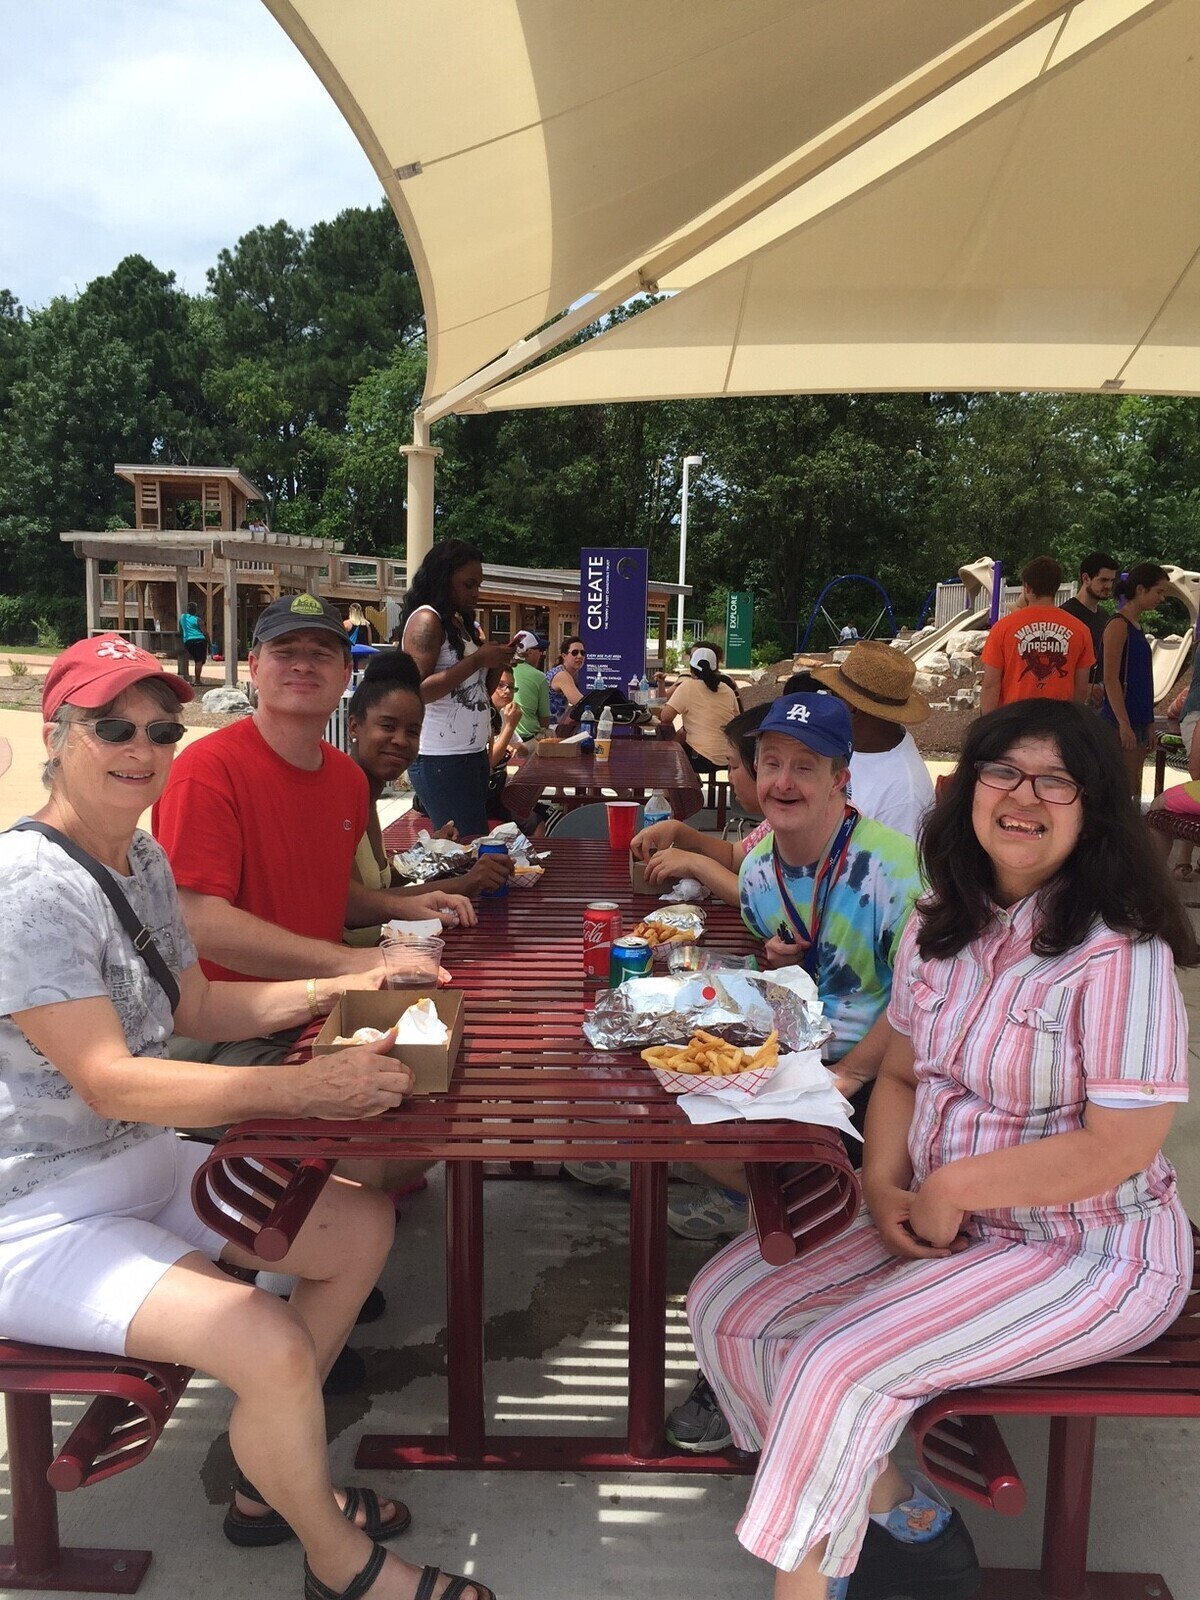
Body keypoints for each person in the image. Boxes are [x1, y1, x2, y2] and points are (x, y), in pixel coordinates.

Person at [0, 634, 495, 1600]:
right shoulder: (28, 889)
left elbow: (196, 1010)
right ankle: (338, 1560)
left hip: (135, 1167)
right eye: (112, 727)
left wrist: (353, 974)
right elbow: (109, 1079)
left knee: (358, 1224)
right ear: (57, 738)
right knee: (262, 1339)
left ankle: (277, 1479)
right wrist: (300, 1088)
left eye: (160, 728)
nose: (141, 748)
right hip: (37, 1215)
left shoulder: (134, 853)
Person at [688, 700, 1194, 1600]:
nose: (1024, 796)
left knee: (834, 1365)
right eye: (1003, 772)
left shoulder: (1119, 950)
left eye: (1056, 780)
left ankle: (805, 1583)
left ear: (1093, 806)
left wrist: (953, 1182)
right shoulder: (942, 919)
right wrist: (882, 1183)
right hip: (942, 1220)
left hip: (1087, 1248)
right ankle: (897, 1512)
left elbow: (1124, 1141)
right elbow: (907, 1074)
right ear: (969, 791)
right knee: (727, 1305)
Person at [154, 593, 475, 1070]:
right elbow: (198, 923)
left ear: (347, 674)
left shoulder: (346, 778)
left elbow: (329, 894)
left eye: (321, 653)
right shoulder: (206, 770)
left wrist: (404, 906)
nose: (303, 665)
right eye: (286, 651)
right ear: (255, 667)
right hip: (228, 1028)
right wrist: (350, 963)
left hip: (321, 1007)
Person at [344, 651, 513, 948]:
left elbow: (380, 884)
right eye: (387, 726)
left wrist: (431, 852)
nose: (400, 740)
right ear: (354, 726)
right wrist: (464, 883)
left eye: (412, 731)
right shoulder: (339, 796)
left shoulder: (366, 793)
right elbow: (352, 907)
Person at [400, 540, 514, 835]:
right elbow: (416, 691)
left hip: (471, 754)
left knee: (471, 843)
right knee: (463, 846)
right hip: (441, 758)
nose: (476, 591)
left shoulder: (461, 623)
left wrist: (499, 661)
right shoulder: (427, 621)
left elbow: (479, 694)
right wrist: (477, 660)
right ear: (443, 579)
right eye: (468, 584)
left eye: (479, 583)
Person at [628, 704, 770, 905]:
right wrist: (678, 830)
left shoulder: (800, 833)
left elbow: (758, 897)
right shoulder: (772, 826)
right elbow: (733, 857)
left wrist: (696, 863)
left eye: (734, 766)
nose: (730, 777)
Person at [812, 640, 934, 838]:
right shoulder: (857, 744)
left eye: (834, 696)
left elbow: (896, 867)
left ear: (853, 709)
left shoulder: (904, 796)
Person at [980, 556, 1094, 712]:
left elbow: (991, 685)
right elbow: (1081, 688)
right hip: (1059, 721)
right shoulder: (1081, 630)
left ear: (1027, 588)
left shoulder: (1002, 629)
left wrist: (988, 727)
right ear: (1056, 587)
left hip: (1014, 720)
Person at [1100, 563, 1171, 800]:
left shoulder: (1137, 627)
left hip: (1138, 719)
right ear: (1141, 589)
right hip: (1121, 719)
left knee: (1131, 786)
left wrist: (1149, 723)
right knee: (1120, 788)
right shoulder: (1119, 625)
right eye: (1158, 592)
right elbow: (1110, 678)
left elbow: (1144, 680)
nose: (1161, 599)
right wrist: (1123, 723)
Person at [661, 646, 742, 773]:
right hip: (728, 757)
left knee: (668, 756)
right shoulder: (727, 689)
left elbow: (665, 717)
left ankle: (680, 790)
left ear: (691, 670)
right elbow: (738, 720)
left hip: (699, 757)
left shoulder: (687, 686)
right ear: (716, 669)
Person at [1059, 550, 1117, 702]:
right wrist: (1084, 686)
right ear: (1086, 578)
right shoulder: (1066, 615)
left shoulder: (1104, 616)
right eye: (1103, 580)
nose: (1109, 586)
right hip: (1073, 701)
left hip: (1100, 698)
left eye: (1112, 581)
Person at [510, 630, 551, 740]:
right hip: (528, 739)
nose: (541, 654)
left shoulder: (501, 671)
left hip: (502, 739)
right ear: (529, 651)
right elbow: (544, 719)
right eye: (540, 649)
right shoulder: (539, 677)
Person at [546, 636, 587, 724]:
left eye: (582, 653)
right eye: (575, 653)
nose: (579, 656)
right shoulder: (562, 675)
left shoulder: (562, 671)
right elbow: (581, 703)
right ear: (564, 656)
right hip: (549, 728)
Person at [178, 605, 209, 687]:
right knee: (199, 661)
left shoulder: (182, 618)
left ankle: (187, 677)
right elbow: (205, 632)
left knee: (193, 658)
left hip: (188, 641)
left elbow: (181, 629)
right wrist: (209, 642)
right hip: (199, 640)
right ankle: (197, 680)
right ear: (195, 611)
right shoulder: (198, 620)